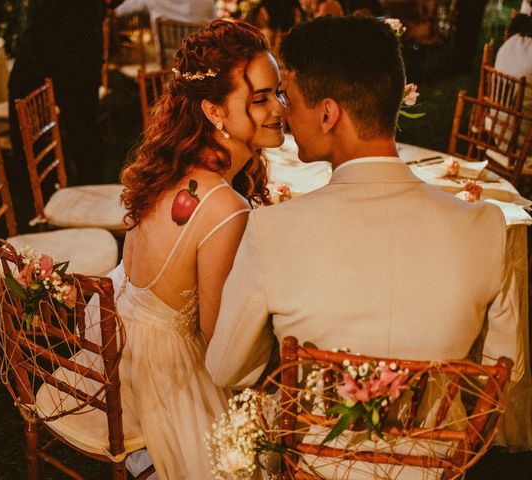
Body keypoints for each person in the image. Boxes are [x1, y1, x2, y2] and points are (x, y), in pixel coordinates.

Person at [207, 14, 519, 449]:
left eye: (290, 99)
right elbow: (501, 373)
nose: (284, 113)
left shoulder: (271, 230)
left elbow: (226, 369)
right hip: (436, 464)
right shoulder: (485, 227)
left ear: (329, 113)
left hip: (318, 466)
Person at [106, 19, 286, 479]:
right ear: (215, 112)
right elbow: (221, 342)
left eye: (278, 93)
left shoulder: (172, 163)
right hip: (171, 375)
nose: (279, 108)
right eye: (261, 98)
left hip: (131, 340)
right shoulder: (226, 208)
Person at [8, 0, 119, 185]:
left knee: (82, 130)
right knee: (24, 119)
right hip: (45, 45)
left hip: (75, 49)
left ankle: (87, 187)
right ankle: (47, 182)